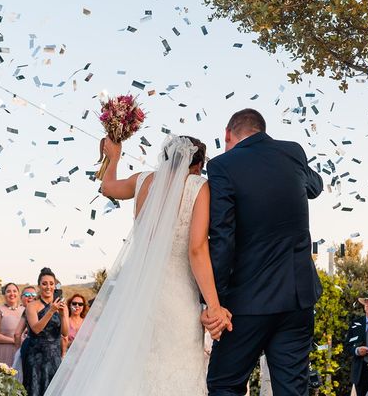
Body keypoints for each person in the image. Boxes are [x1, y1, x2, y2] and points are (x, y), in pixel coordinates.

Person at [45, 135, 232, 395]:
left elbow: (108, 187)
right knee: (174, 367)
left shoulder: (144, 180)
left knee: (134, 369)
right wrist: (214, 306)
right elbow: (197, 250)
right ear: (198, 165)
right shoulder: (198, 186)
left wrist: (114, 156)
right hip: (176, 298)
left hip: (137, 295)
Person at [203, 108, 323, 396]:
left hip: (247, 302)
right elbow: (315, 186)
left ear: (228, 135)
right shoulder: (293, 152)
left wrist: (214, 301)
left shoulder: (222, 166)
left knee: (224, 384)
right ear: (262, 130)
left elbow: (222, 237)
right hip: (297, 299)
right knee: (293, 389)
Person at [22, 267, 69, 396]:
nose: (48, 287)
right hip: (36, 356)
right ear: (39, 286)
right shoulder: (32, 306)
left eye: (51, 283)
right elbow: (36, 329)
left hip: (54, 356)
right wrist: (51, 311)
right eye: (44, 283)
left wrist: (63, 314)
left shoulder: (61, 305)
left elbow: (65, 333)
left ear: (55, 286)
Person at [0, 282, 25, 367]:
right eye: (8, 291)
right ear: (4, 294)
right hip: (2, 352)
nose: (12, 294)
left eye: (14, 291)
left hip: (21, 351)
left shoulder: (24, 310)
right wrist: (13, 341)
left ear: (18, 294)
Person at [11, 286, 37, 382]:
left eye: (33, 295)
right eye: (27, 295)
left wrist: (19, 350)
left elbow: (17, 334)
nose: (30, 297)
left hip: (30, 349)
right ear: (21, 298)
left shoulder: (28, 311)